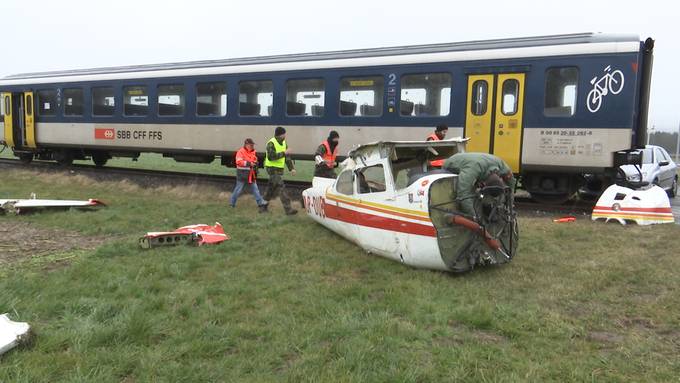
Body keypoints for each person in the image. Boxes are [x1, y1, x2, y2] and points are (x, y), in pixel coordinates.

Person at [443, 152, 516, 218]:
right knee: (470, 194)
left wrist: (510, 207)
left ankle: (487, 205)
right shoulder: (472, 170)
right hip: (452, 163)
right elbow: (463, 195)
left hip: (478, 163)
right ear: (483, 184)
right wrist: (474, 217)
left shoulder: (501, 166)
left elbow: (511, 183)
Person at [263, 126, 298, 215]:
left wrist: (292, 169)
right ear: (280, 134)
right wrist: (284, 153)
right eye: (284, 134)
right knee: (281, 187)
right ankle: (288, 209)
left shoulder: (284, 143)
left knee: (270, 189)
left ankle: (262, 206)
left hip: (278, 169)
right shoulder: (271, 143)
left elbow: (287, 157)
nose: (285, 135)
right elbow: (271, 157)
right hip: (272, 169)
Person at [230, 138, 269, 212]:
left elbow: (254, 159)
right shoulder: (240, 152)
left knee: (255, 189)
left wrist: (255, 162)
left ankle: (260, 203)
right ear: (246, 145)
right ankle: (232, 203)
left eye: (253, 145)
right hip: (242, 174)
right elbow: (238, 162)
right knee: (238, 190)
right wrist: (249, 163)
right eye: (251, 145)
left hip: (251, 174)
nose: (252, 146)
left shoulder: (253, 152)